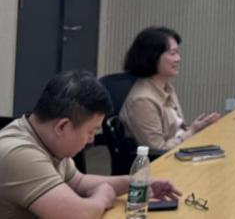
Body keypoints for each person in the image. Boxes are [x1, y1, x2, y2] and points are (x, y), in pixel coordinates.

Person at [0, 70, 180, 219]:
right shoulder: (19, 153)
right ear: (62, 126)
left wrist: (135, 183)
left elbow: (78, 182)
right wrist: (102, 197)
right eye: (90, 131)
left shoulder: (46, 138)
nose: (92, 140)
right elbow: (78, 215)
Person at [120, 27, 220, 151]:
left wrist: (197, 128)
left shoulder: (167, 87)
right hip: (163, 160)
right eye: (173, 53)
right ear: (152, 56)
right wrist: (193, 131)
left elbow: (177, 132)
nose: (178, 59)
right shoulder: (142, 100)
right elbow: (158, 150)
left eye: (178, 53)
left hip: (180, 152)